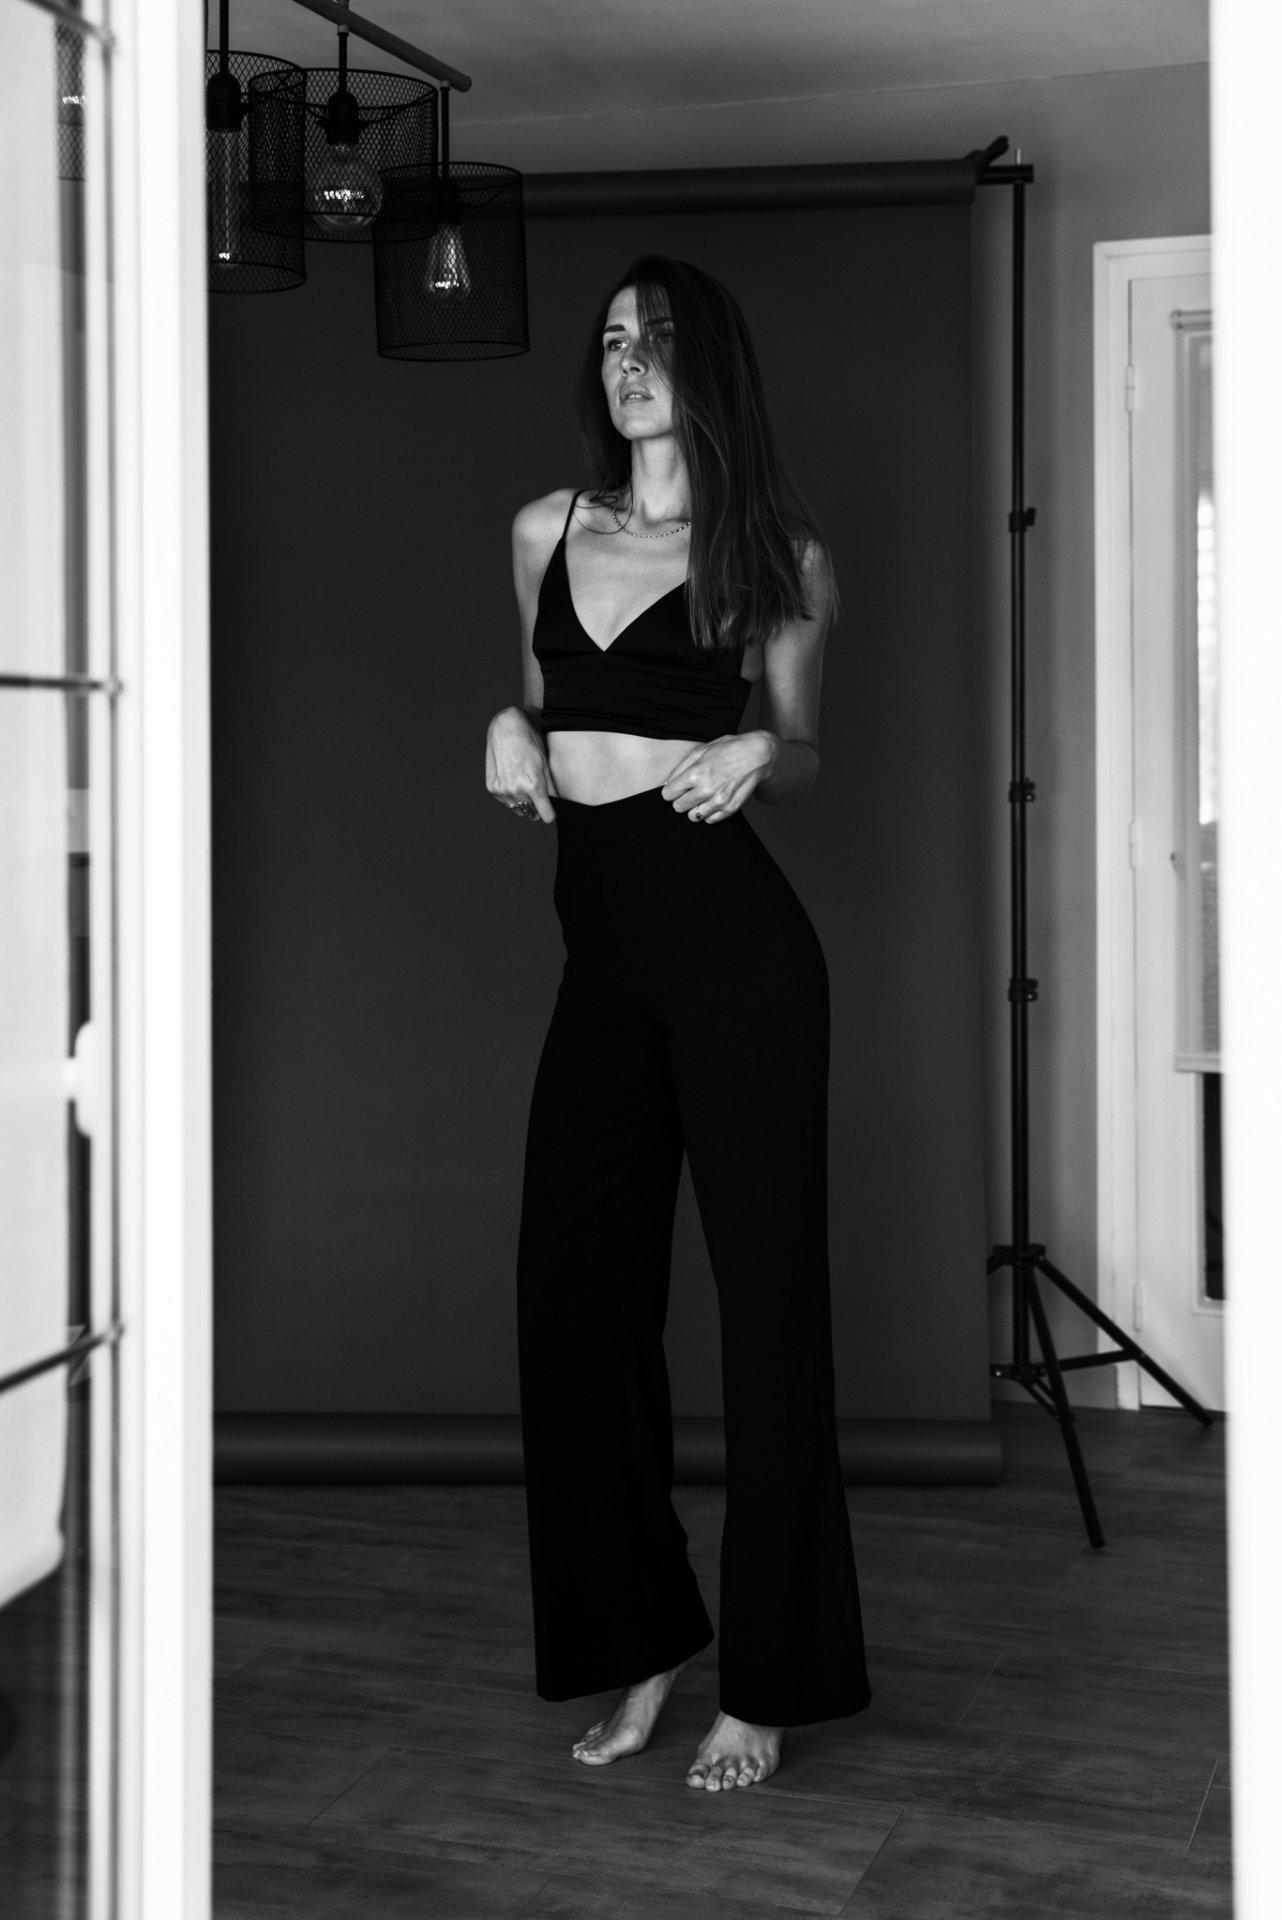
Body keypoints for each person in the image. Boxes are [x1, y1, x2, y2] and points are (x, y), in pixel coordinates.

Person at [485, 254, 870, 1793]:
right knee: (571, 1309)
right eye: (609, 341)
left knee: (768, 1317)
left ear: (705, 363)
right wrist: (503, 724)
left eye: (652, 339)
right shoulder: (544, 529)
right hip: (605, 964)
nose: (626, 361)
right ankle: (642, 1636)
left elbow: (805, 749)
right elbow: (539, 706)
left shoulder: (776, 552)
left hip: (738, 959)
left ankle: (765, 1685)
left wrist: (760, 754)